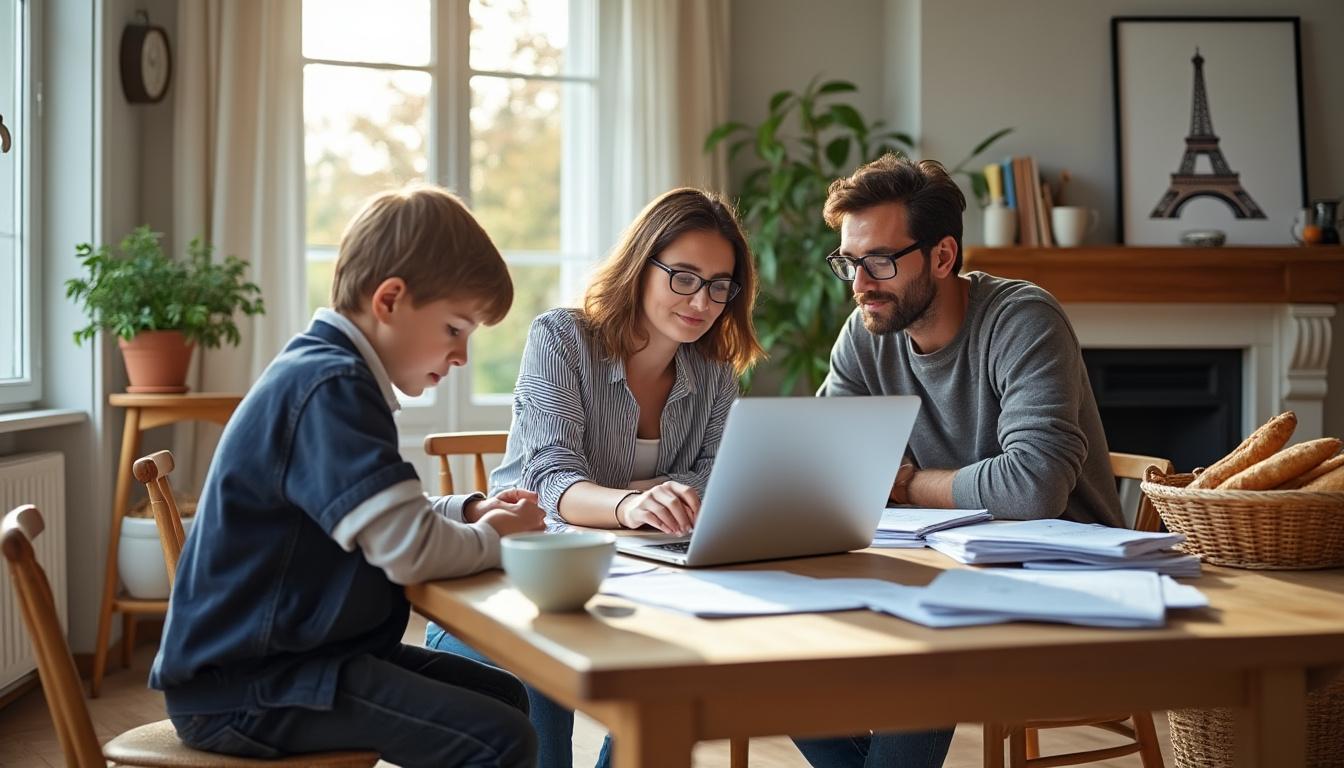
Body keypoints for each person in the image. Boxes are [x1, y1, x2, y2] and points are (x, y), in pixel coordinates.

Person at [150, 185, 547, 767]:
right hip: (252, 685)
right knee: (501, 739)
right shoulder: (332, 387)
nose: (462, 355)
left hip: (290, 660)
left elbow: (385, 514)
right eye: (455, 329)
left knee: (505, 695)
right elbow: (410, 552)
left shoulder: (328, 373)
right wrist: (501, 540)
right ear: (389, 300)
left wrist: (468, 513)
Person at [796, 155, 1123, 767]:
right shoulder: (867, 332)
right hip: (936, 562)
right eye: (849, 263)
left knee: (926, 638)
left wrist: (908, 482)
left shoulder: (1023, 321)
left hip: (1061, 573)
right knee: (773, 638)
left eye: (880, 262)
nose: (861, 283)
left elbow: (1032, 489)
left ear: (943, 257)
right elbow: (831, 467)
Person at [426, 187, 765, 767]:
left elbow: (716, 477)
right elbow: (553, 482)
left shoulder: (714, 370)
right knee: (542, 704)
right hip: (514, 593)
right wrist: (633, 504)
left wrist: (635, 495)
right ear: (641, 266)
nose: (701, 300)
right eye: (683, 276)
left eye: (718, 285)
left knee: (688, 680)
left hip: (644, 586)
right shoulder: (562, 338)